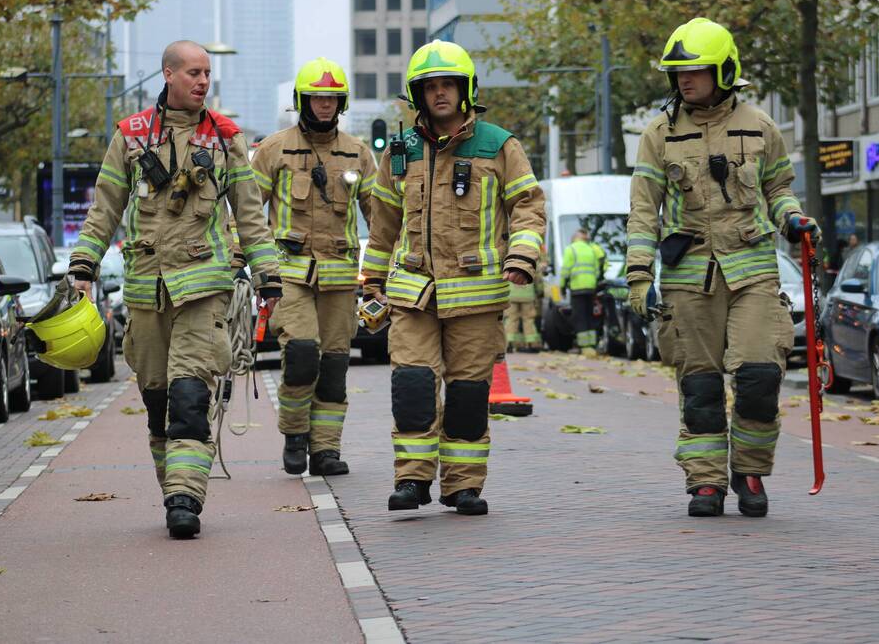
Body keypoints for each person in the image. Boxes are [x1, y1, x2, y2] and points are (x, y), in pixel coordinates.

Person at [69, 40, 282, 539]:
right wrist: (83, 265)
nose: (203, 81)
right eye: (193, 72)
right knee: (158, 400)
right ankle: (174, 489)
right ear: (167, 74)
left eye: (207, 73)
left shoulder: (226, 139)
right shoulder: (131, 136)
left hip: (203, 291)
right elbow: (105, 208)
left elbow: (251, 216)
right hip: (146, 293)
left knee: (190, 394)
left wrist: (268, 274)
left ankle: (186, 499)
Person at [626, 18, 819, 518]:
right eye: (678, 73)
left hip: (753, 271)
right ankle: (706, 483)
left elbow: (778, 190)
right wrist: (639, 276)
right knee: (702, 387)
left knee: (759, 376)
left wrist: (794, 219)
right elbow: (644, 212)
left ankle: (750, 470)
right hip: (688, 279)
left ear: (724, 70)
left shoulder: (760, 126)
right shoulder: (658, 135)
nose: (684, 80)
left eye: (695, 70)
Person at [363, 40, 546, 515]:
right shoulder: (400, 151)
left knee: (467, 394)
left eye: (448, 85)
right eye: (430, 87)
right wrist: (371, 282)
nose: (439, 94)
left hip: (478, 297)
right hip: (413, 294)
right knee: (413, 388)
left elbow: (528, 207)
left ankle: (462, 486)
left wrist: (522, 257)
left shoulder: (500, 145)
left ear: (466, 90)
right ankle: (412, 481)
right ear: (417, 94)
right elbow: (383, 223)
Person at [250, 57, 375, 477]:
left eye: (332, 98)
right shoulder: (274, 149)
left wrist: (397, 257)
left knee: (335, 365)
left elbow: (380, 214)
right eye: (317, 97)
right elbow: (248, 213)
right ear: (301, 101)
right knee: (302, 354)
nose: (324, 105)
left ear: (341, 104)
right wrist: (244, 266)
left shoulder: (358, 153)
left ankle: (325, 450)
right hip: (289, 275)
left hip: (340, 279)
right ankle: (294, 435)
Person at [561, 229, 605, 357]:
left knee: (579, 317)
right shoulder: (591, 249)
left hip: (577, 288)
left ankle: (583, 346)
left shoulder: (571, 249)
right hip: (591, 288)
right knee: (589, 316)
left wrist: (563, 286)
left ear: (574, 238)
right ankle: (592, 345)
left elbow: (565, 270)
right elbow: (597, 270)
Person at [504, 249, 543, 352]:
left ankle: (509, 343)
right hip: (527, 295)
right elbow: (538, 279)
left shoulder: (510, 258)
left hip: (512, 295)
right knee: (528, 319)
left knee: (511, 319)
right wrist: (540, 292)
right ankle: (531, 343)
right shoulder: (532, 259)